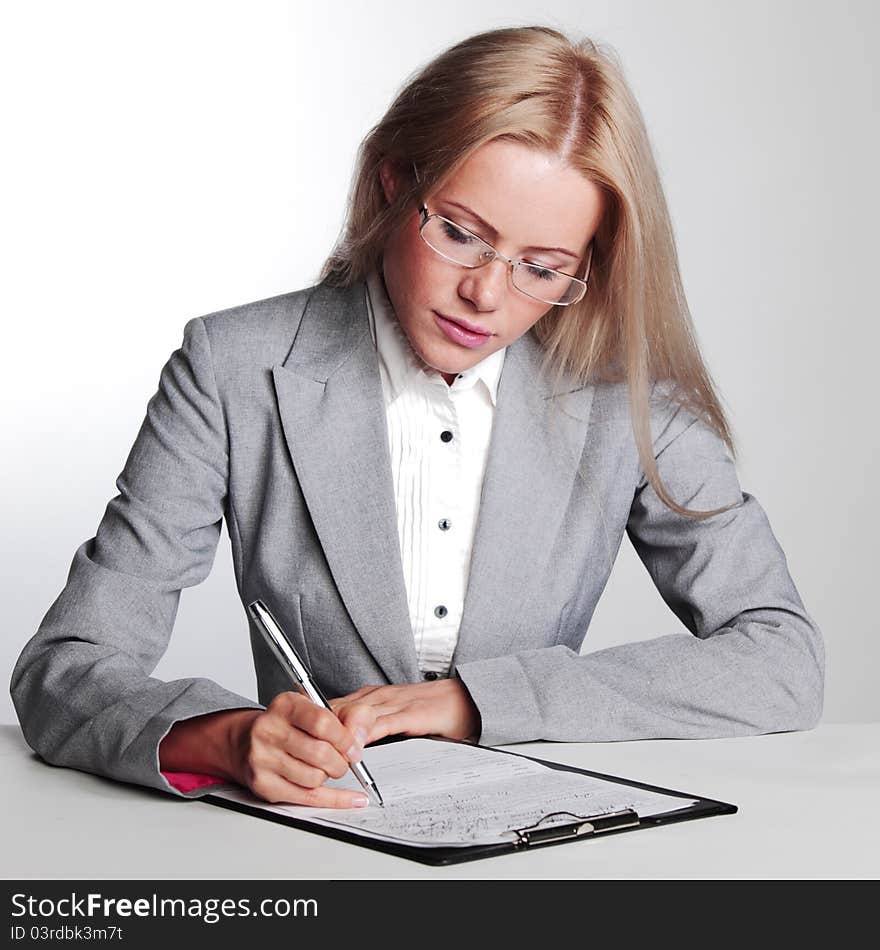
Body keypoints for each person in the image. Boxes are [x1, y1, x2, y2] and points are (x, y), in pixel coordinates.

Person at [10, 25, 824, 810]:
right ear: (394, 182)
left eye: (544, 268)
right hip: (314, 845)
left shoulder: (631, 402)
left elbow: (782, 662)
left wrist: (474, 703)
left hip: (550, 846)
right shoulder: (233, 367)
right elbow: (66, 666)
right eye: (463, 234)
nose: (489, 295)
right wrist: (222, 738)